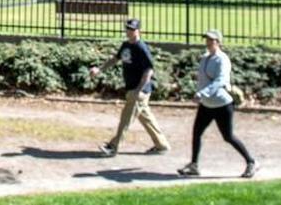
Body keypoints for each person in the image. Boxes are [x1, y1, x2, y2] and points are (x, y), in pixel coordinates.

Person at [177, 29, 257, 178]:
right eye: (207, 40)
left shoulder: (222, 59)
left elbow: (220, 81)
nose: (208, 43)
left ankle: (251, 162)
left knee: (228, 136)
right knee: (196, 133)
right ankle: (194, 165)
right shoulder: (205, 57)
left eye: (212, 40)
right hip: (206, 104)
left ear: (219, 42)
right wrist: (200, 93)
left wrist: (202, 93)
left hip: (222, 104)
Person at [90, 18, 170, 157]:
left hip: (139, 90)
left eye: (132, 29)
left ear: (139, 31)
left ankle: (113, 147)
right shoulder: (126, 45)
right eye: (128, 28)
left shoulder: (141, 48)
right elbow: (115, 59)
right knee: (146, 117)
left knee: (126, 118)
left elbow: (149, 70)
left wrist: (138, 90)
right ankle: (161, 145)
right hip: (132, 89)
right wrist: (99, 69)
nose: (129, 31)